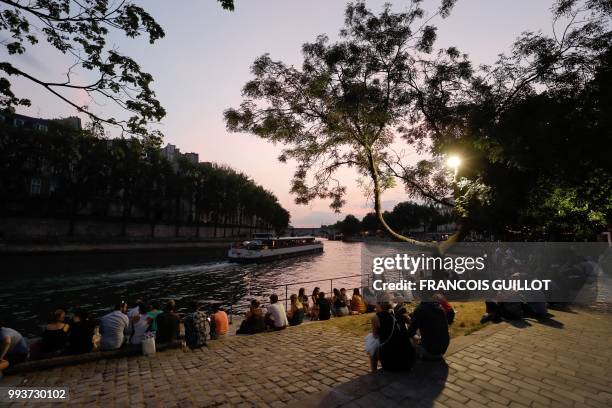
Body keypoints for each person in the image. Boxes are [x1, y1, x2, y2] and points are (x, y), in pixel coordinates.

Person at [367, 294, 415, 372]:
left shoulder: (375, 317)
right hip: (407, 363)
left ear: (379, 304)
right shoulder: (395, 313)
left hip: (390, 364)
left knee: (371, 340)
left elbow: (375, 335)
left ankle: (374, 370)